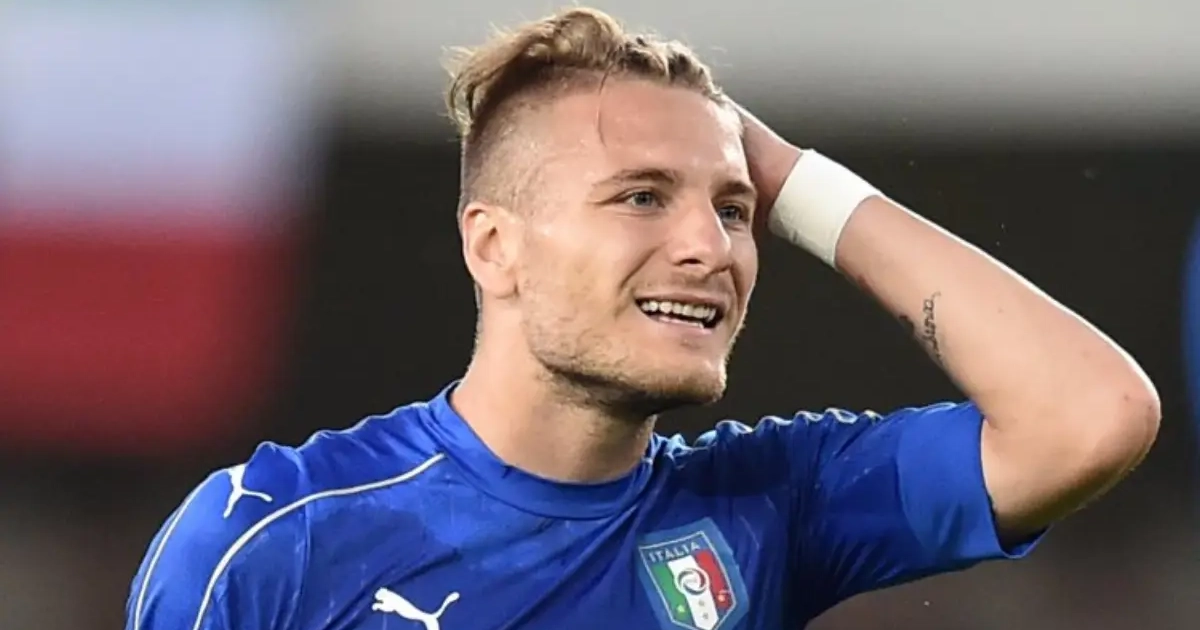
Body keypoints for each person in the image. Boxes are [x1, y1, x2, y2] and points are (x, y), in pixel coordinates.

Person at [125, 7, 1160, 630]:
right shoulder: (278, 538)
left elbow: (1091, 417)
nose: (711, 247)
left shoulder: (768, 505)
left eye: (735, 209)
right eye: (640, 196)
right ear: (495, 246)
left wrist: (796, 183)